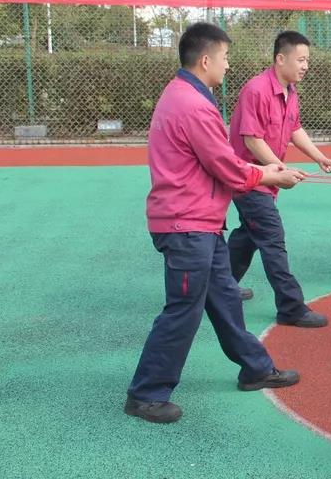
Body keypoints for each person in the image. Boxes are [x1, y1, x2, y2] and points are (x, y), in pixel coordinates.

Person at [125, 23, 305, 425]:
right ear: (205, 60)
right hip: (186, 225)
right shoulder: (192, 104)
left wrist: (265, 171)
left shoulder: (183, 95)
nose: (228, 65)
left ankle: (256, 367)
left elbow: (220, 161)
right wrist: (269, 175)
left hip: (199, 223)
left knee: (224, 298)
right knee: (182, 312)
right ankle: (146, 393)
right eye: (225, 57)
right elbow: (225, 166)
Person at [227, 31, 331, 328]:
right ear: (280, 59)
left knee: (248, 236)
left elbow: (294, 129)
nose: (305, 66)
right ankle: (291, 307)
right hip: (249, 178)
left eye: (307, 60)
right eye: (301, 60)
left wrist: (319, 157)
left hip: (266, 177)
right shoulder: (256, 90)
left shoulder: (290, 92)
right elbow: (252, 140)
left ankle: (216, 286)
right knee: (271, 237)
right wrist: (279, 170)